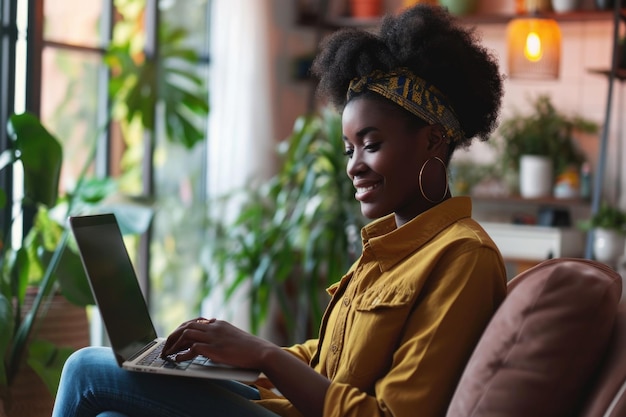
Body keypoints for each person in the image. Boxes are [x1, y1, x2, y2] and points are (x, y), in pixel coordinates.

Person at [52, 4, 506, 417]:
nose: (354, 167)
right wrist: (235, 353)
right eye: (349, 149)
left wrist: (264, 356)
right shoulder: (391, 249)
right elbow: (330, 359)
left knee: (87, 367)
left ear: (431, 140)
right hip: (281, 406)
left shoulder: (463, 257)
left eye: (372, 144)